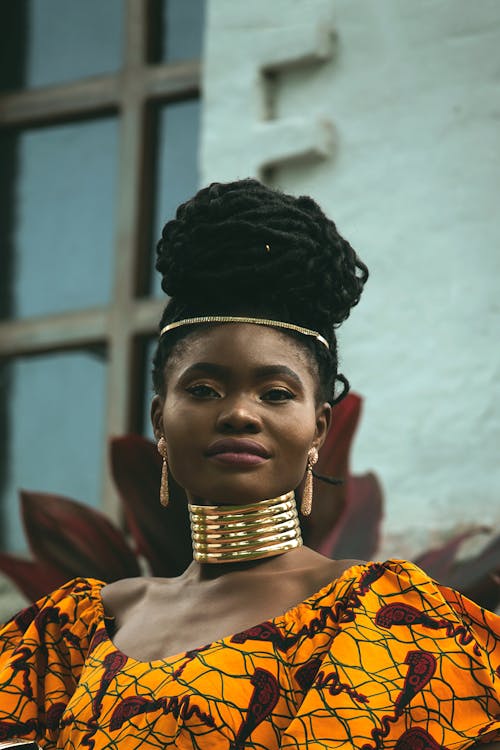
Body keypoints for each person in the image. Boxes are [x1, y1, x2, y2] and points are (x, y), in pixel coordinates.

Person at [0, 179, 498, 749]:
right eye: (205, 389)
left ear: (319, 429)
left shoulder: (393, 621)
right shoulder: (72, 633)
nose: (239, 413)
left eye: (277, 393)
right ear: (161, 419)